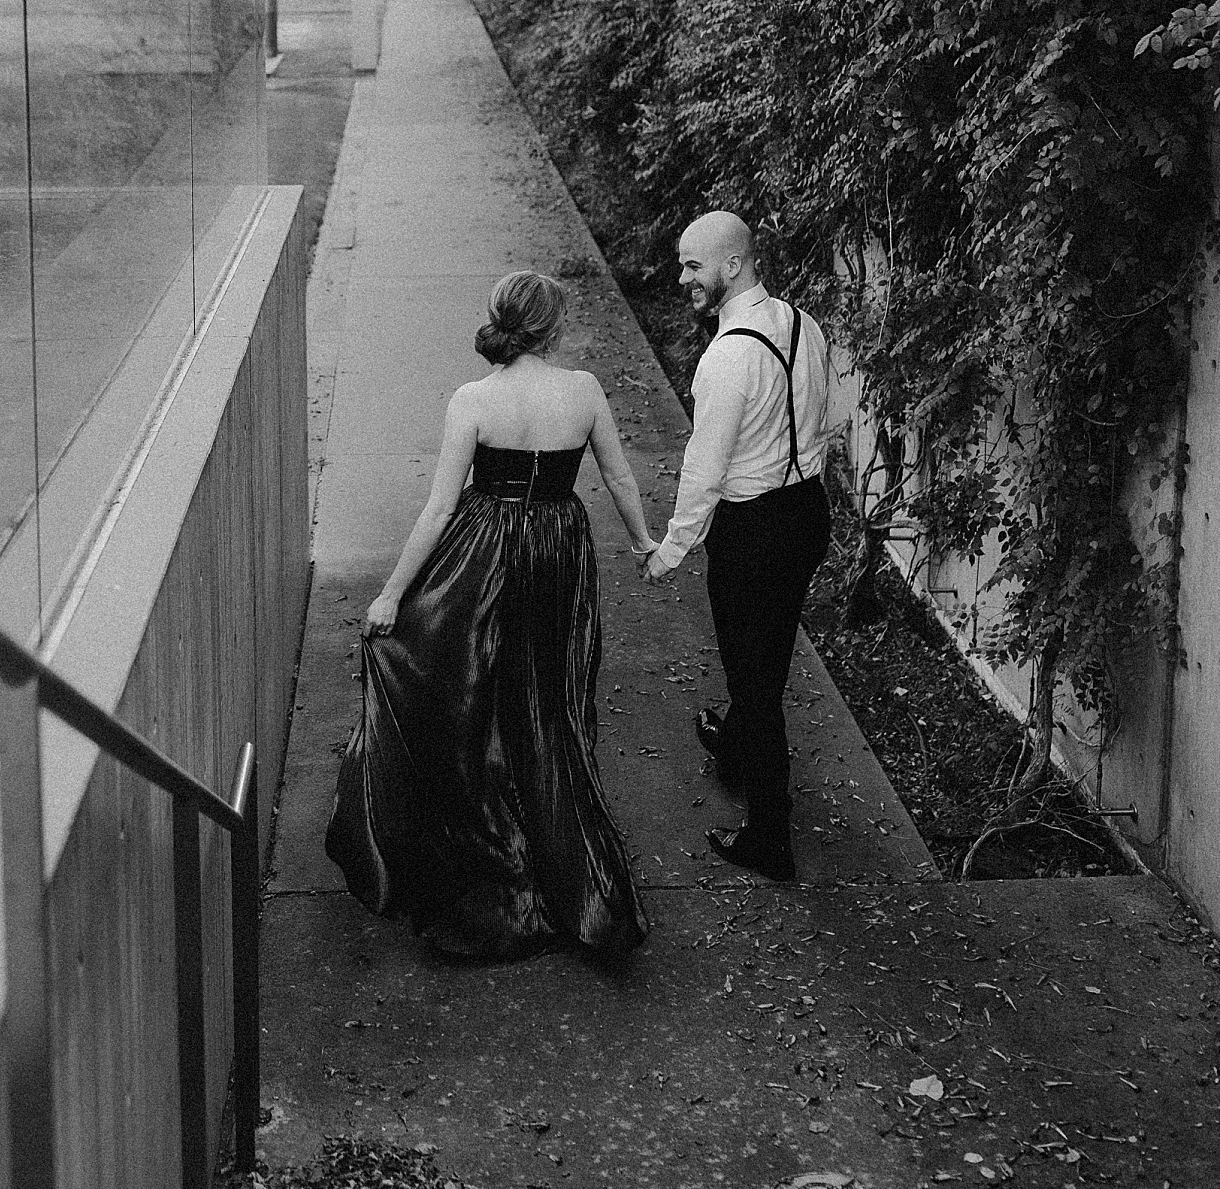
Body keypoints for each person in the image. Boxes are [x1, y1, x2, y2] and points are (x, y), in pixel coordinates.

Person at [325, 270, 658, 964]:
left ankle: (473, 853)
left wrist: (391, 595)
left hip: (486, 548)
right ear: (555, 328)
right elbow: (621, 479)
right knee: (549, 708)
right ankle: (577, 878)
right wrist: (643, 542)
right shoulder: (585, 392)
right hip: (559, 550)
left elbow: (440, 509)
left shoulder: (474, 399)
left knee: (462, 693)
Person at [644, 210, 843, 884]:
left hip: (753, 528)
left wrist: (672, 549)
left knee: (756, 684)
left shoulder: (727, 358)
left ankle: (769, 838)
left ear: (733, 265)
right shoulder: (801, 324)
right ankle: (732, 745)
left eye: (694, 266)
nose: (684, 278)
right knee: (769, 651)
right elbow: (823, 413)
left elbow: (705, 469)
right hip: (806, 514)